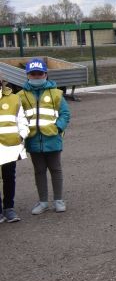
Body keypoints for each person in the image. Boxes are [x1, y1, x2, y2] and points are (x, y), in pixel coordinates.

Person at [20, 58, 71, 215]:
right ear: (28, 75)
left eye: (39, 74)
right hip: (33, 140)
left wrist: (58, 127)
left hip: (52, 139)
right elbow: (18, 116)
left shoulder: (56, 93)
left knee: (55, 169)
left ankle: (58, 200)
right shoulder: (21, 95)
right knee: (39, 171)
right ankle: (43, 202)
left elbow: (65, 113)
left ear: (45, 74)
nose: (36, 77)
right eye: (33, 74)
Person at [0, 79, 28, 224]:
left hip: (9, 146)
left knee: (9, 176)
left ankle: (9, 208)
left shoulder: (14, 98)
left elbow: (22, 120)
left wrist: (21, 135)